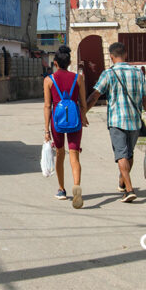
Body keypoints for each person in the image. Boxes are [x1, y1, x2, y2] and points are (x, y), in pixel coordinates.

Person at [86, 42, 146, 203]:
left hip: (117, 121)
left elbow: (94, 96)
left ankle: (129, 190)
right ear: (125, 55)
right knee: (129, 153)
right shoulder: (137, 73)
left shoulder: (109, 74)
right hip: (134, 120)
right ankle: (122, 181)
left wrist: (82, 113)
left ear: (111, 57)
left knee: (121, 154)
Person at [43, 46, 89, 209]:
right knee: (74, 155)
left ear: (55, 63)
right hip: (75, 120)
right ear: (69, 62)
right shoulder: (78, 78)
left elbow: (48, 106)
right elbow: (83, 103)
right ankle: (76, 186)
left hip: (57, 122)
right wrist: (83, 116)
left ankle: (62, 189)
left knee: (60, 154)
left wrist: (47, 130)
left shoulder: (49, 80)